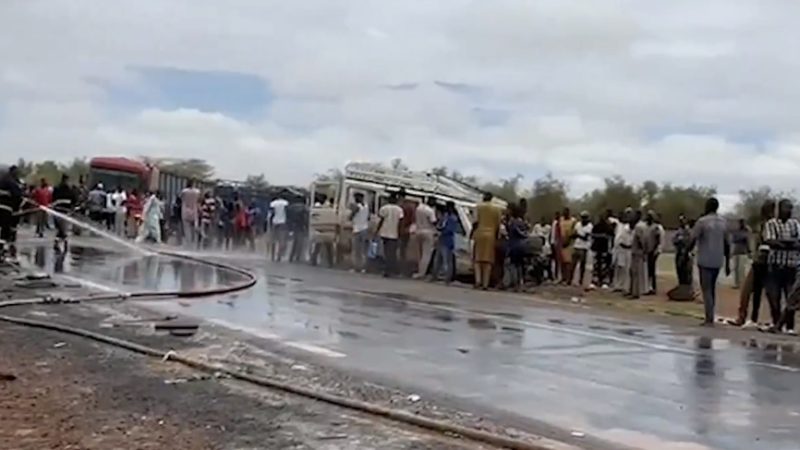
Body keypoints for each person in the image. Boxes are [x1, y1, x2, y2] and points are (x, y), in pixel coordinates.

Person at [731, 200, 774, 328]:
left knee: (752, 291)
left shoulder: (769, 225)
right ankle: (749, 318)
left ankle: (745, 318)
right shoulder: (764, 225)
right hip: (762, 260)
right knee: (760, 292)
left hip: (763, 261)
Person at [691, 197, 731, 326]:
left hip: (704, 259)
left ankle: (709, 318)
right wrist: (728, 262)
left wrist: (687, 251)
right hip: (718, 259)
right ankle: (711, 315)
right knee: (712, 289)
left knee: (706, 289)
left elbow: (693, 238)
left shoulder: (702, 222)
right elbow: (727, 244)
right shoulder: (723, 222)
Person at [763, 199, 800, 334]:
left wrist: (782, 243)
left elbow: (798, 244)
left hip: (791, 266)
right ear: (779, 209)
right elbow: (770, 241)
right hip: (775, 265)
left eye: (790, 208)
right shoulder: (771, 224)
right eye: (786, 208)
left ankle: (789, 327)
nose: (789, 211)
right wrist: (790, 243)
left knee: (791, 297)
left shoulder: (795, 224)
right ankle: (776, 323)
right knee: (774, 297)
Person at [471, 192, 502, 289]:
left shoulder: (478, 207)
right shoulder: (497, 209)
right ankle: (485, 283)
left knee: (477, 259)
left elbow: (475, 222)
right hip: (491, 235)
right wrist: (497, 238)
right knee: (488, 261)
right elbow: (498, 225)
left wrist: (472, 233)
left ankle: (478, 281)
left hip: (479, 233)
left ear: (483, 197)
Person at [377, 192, 404, 277]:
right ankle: (391, 270)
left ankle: (387, 270)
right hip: (394, 234)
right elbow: (400, 223)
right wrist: (400, 234)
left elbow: (381, 220)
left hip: (384, 232)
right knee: (392, 253)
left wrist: (377, 230)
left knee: (386, 252)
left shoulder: (384, 208)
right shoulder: (399, 210)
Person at [431, 201, 458, 284]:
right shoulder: (445, 216)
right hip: (441, 239)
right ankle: (434, 276)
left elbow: (449, 230)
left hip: (447, 240)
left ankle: (447, 279)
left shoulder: (453, 218)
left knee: (447, 261)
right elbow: (440, 225)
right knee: (437, 259)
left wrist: (440, 230)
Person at [0, 166, 24, 259]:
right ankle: (1, 248)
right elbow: (17, 196)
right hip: (7, 209)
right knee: (5, 230)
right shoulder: (12, 182)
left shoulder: (2, 180)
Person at [506, 204, 530, 292]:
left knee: (514, 265)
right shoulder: (522, 221)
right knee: (519, 265)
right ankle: (520, 284)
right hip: (522, 245)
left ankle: (516, 284)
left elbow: (516, 232)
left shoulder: (513, 222)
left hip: (515, 245)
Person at [51, 174, 77, 251]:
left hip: (57, 211)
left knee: (60, 228)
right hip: (65, 212)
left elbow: (53, 199)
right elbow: (74, 200)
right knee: (63, 229)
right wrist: (73, 208)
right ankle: (63, 241)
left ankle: (59, 242)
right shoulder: (69, 190)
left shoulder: (56, 189)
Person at [414, 197, 438, 278]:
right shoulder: (430, 211)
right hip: (428, 232)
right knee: (426, 254)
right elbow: (433, 222)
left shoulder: (418, 208)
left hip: (418, 231)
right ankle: (422, 273)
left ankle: (418, 271)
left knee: (419, 254)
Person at [591, 210, 614, 288]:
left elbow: (611, 236)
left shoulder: (608, 227)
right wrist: (601, 236)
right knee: (596, 265)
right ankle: (595, 280)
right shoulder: (596, 226)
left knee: (604, 265)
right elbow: (592, 235)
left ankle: (604, 281)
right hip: (597, 248)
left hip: (605, 248)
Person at [612, 209, 633, 293]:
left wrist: (627, 245)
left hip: (626, 250)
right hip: (617, 250)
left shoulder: (628, 226)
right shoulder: (618, 225)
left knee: (625, 269)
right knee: (617, 268)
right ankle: (617, 285)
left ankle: (625, 286)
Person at [349, 192, 370, 272]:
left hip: (357, 229)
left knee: (355, 250)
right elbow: (368, 217)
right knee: (362, 250)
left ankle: (355, 267)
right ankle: (363, 268)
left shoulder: (357, 207)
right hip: (364, 228)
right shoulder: (366, 206)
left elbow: (350, 217)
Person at [628, 210, 647, 299]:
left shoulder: (639, 226)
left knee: (636, 273)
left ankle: (635, 293)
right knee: (632, 271)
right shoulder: (638, 225)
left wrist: (643, 250)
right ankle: (631, 290)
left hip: (637, 252)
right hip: (635, 251)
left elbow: (641, 240)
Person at [572, 211, 593, 287]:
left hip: (584, 247)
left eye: (585, 217)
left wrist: (577, 235)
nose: (583, 219)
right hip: (576, 245)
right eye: (582, 217)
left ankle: (580, 280)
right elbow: (574, 234)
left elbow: (585, 238)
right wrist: (576, 235)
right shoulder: (578, 224)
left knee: (582, 265)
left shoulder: (589, 226)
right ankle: (571, 280)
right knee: (573, 264)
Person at [556, 208, 577, 285]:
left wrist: (568, 240)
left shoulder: (573, 221)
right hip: (561, 242)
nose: (565, 214)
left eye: (566, 212)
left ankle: (568, 279)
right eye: (564, 212)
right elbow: (558, 230)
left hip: (570, 243)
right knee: (562, 262)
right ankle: (563, 278)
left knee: (568, 262)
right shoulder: (560, 220)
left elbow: (575, 232)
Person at [397, 189, 417, 272]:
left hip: (399, 230)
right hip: (406, 230)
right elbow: (413, 219)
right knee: (404, 250)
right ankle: (403, 269)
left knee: (398, 249)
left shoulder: (399, 206)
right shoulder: (411, 206)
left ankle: (399, 268)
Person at [642, 210, 661, 295]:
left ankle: (653, 287)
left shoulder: (655, 227)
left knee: (651, 270)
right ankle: (647, 287)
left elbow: (657, 239)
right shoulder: (645, 226)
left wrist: (654, 250)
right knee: (646, 270)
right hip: (646, 250)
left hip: (652, 251)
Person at [287, 197, 309, 263]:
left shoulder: (292, 207)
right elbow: (306, 219)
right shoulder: (304, 208)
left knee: (294, 243)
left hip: (294, 227)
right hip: (301, 227)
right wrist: (307, 226)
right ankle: (297, 257)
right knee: (300, 243)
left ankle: (291, 257)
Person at [731, 218, 751, 289]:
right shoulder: (737, 231)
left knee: (741, 269)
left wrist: (749, 251)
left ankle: (741, 283)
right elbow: (734, 239)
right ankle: (736, 283)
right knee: (736, 268)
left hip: (743, 251)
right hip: (737, 251)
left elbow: (747, 241)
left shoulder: (746, 231)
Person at [269, 192, 290, 262]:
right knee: (282, 240)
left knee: (273, 240)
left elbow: (271, 214)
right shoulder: (286, 203)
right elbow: (287, 213)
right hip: (283, 223)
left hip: (274, 222)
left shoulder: (273, 203)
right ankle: (279, 256)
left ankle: (272, 256)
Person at [180, 180, 201, 247]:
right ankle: (195, 241)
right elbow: (199, 199)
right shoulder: (197, 192)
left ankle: (188, 243)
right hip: (194, 211)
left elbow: (181, 198)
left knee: (187, 229)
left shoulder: (184, 191)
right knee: (195, 227)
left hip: (185, 211)